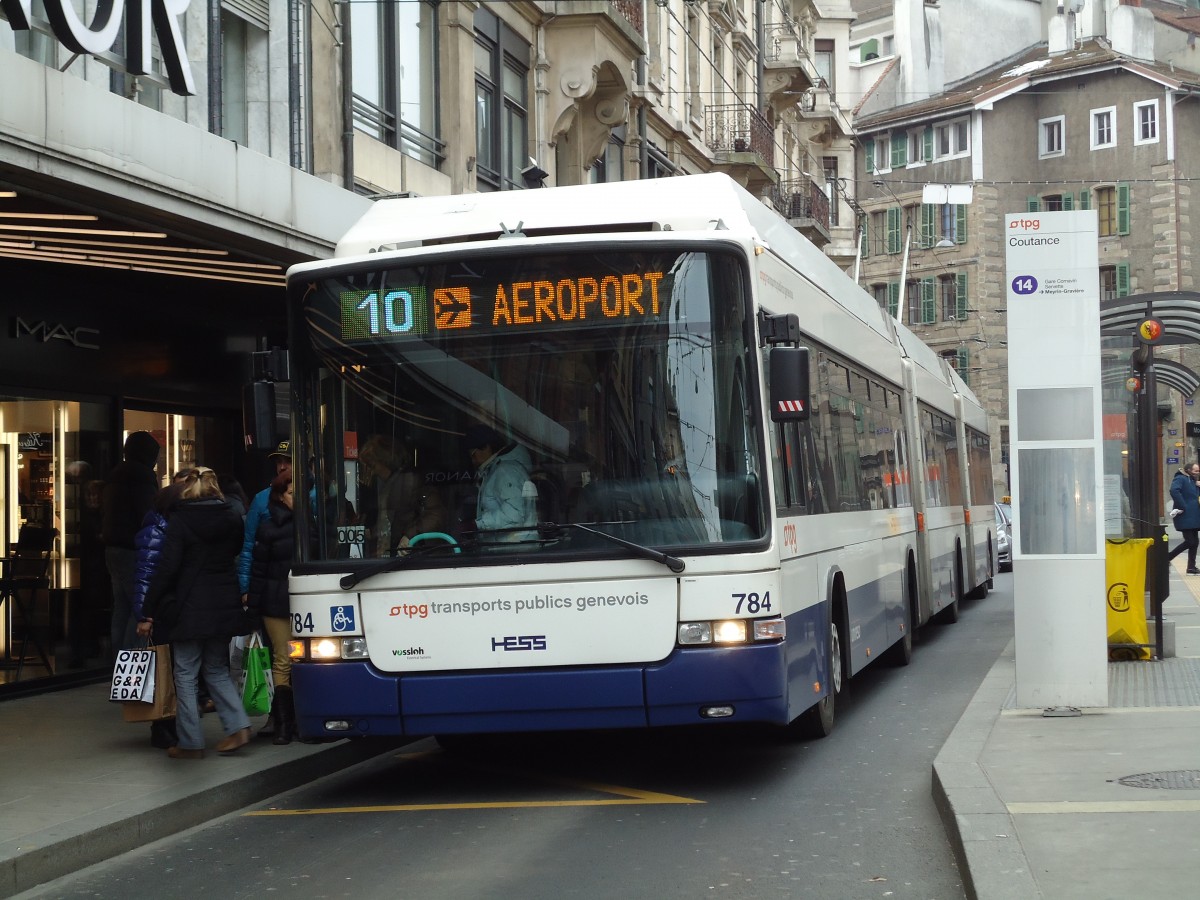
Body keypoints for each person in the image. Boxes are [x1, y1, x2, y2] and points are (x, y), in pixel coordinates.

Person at [137, 467, 255, 759]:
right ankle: (238, 725)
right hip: (223, 604)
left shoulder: (181, 520)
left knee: (186, 673)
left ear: (187, 490)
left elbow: (167, 568)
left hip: (189, 607)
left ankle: (190, 742)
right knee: (216, 669)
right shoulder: (231, 517)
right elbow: (236, 551)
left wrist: (147, 611)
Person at [247, 471, 298, 743]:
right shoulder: (268, 529)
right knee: (283, 659)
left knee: (303, 659)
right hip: (277, 603)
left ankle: (291, 722)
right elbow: (259, 573)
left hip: (302, 602)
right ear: (279, 497)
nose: (296, 498)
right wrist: (253, 612)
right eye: (291, 493)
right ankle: (283, 724)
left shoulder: (312, 525)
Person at [101, 431, 161, 656]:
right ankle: (130, 659)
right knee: (138, 608)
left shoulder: (115, 475)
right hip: (133, 549)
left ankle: (119, 659)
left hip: (113, 548)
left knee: (121, 607)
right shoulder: (142, 477)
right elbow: (147, 516)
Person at [359, 435, 447, 556]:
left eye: (373, 466)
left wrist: (409, 535)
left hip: (413, 557)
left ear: (385, 460)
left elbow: (435, 514)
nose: (373, 472)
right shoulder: (390, 484)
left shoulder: (409, 482)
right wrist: (373, 532)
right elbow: (392, 522)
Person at [464, 424, 538, 539]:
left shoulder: (506, 471)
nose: (472, 461)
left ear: (486, 447)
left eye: (473, 454)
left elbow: (514, 515)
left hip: (513, 550)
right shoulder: (496, 471)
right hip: (506, 549)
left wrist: (478, 524)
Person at [238, 440, 292, 595]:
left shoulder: (314, 495)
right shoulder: (261, 500)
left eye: (288, 461)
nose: (282, 467)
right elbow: (248, 546)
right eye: (279, 462)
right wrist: (245, 589)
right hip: (271, 585)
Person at [1169, 462, 1200, 574]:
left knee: (1195, 541)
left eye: (1198, 471)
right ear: (1188, 470)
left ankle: (1191, 567)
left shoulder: (1192, 481)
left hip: (1194, 517)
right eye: (1195, 471)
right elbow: (1174, 490)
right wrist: (1182, 505)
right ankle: (1167, 558)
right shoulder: (1181, 478)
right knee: (1190, 541)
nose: (1197, 473)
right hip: (1185, 516)